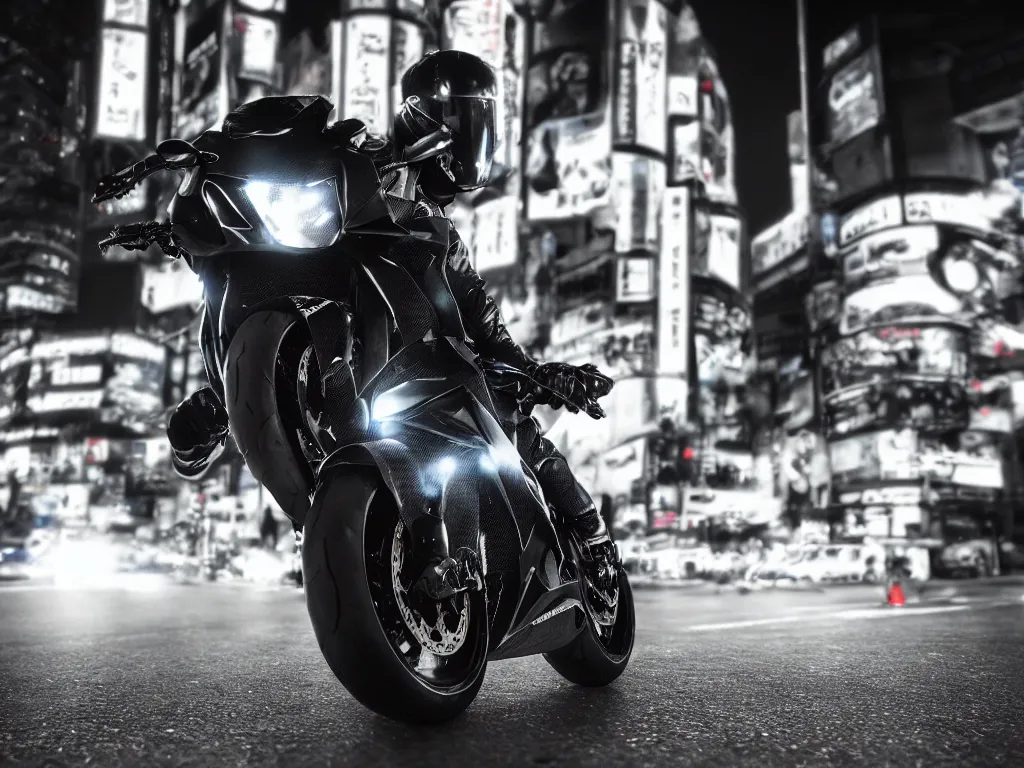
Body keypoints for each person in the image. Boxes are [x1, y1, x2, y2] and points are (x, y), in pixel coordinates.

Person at [385, 50, 616, 595]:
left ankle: (592, 535)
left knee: (508, 414)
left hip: (436, 377)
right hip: (372, 366)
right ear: (424, 121)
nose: (470, 137)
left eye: (476, 122)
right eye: (462, 120)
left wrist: (540, 375)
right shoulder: (360, 184)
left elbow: (487, 329)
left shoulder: (445, 241)